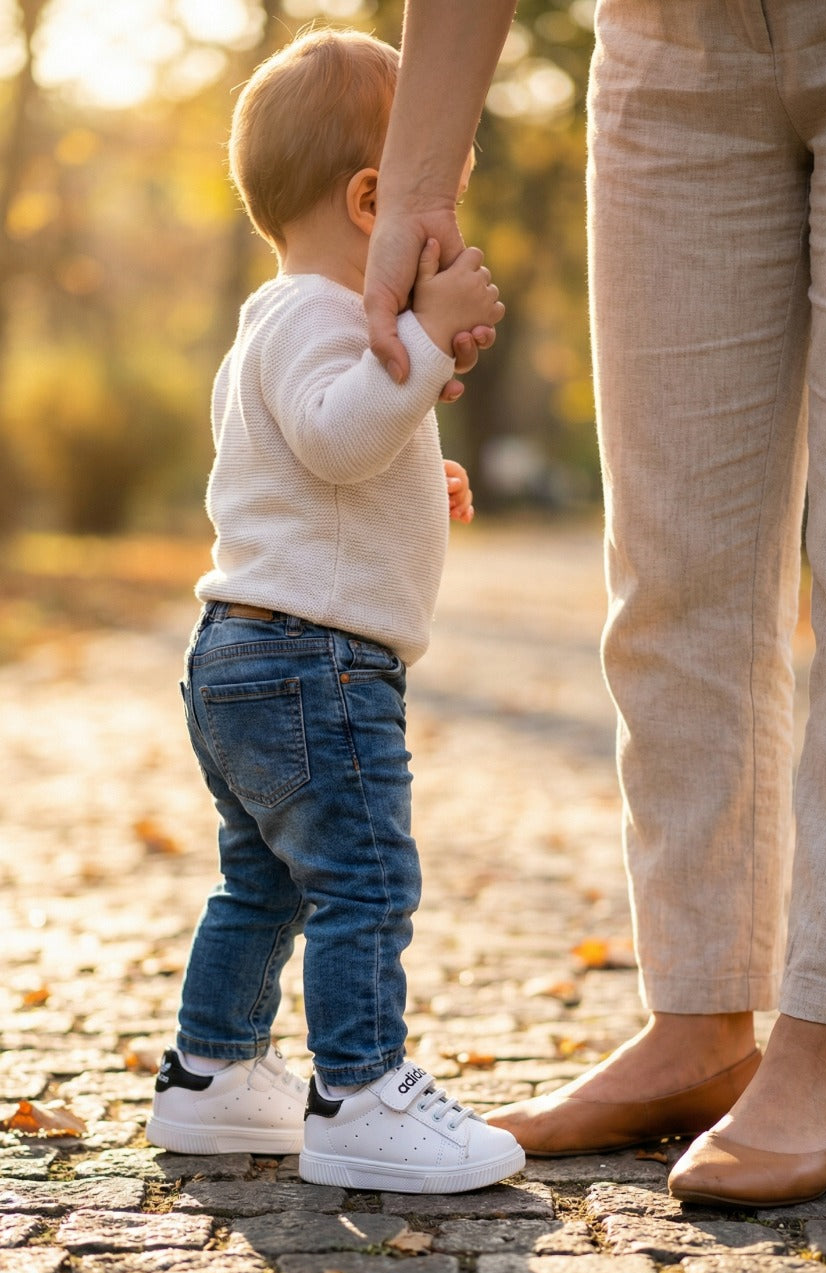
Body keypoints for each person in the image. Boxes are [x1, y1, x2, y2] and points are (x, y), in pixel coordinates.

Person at [363, 0, 826, 1206]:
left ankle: (825, 1036)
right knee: (670, 571)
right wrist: (414, 188)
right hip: (666, 50)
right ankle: (699, 1019)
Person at [147, 27, 524, 1194]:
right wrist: (421, 337)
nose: (447, 234)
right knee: (365, 880)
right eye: (438, 208)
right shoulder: (323, 314)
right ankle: (359, 1092)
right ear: (374, 200)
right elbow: (334, 430)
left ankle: (210, 1076)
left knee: (259, 880)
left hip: (243, 656)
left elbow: (312, 466)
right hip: (317, 666)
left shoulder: (268, 323)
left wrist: (424, 467)